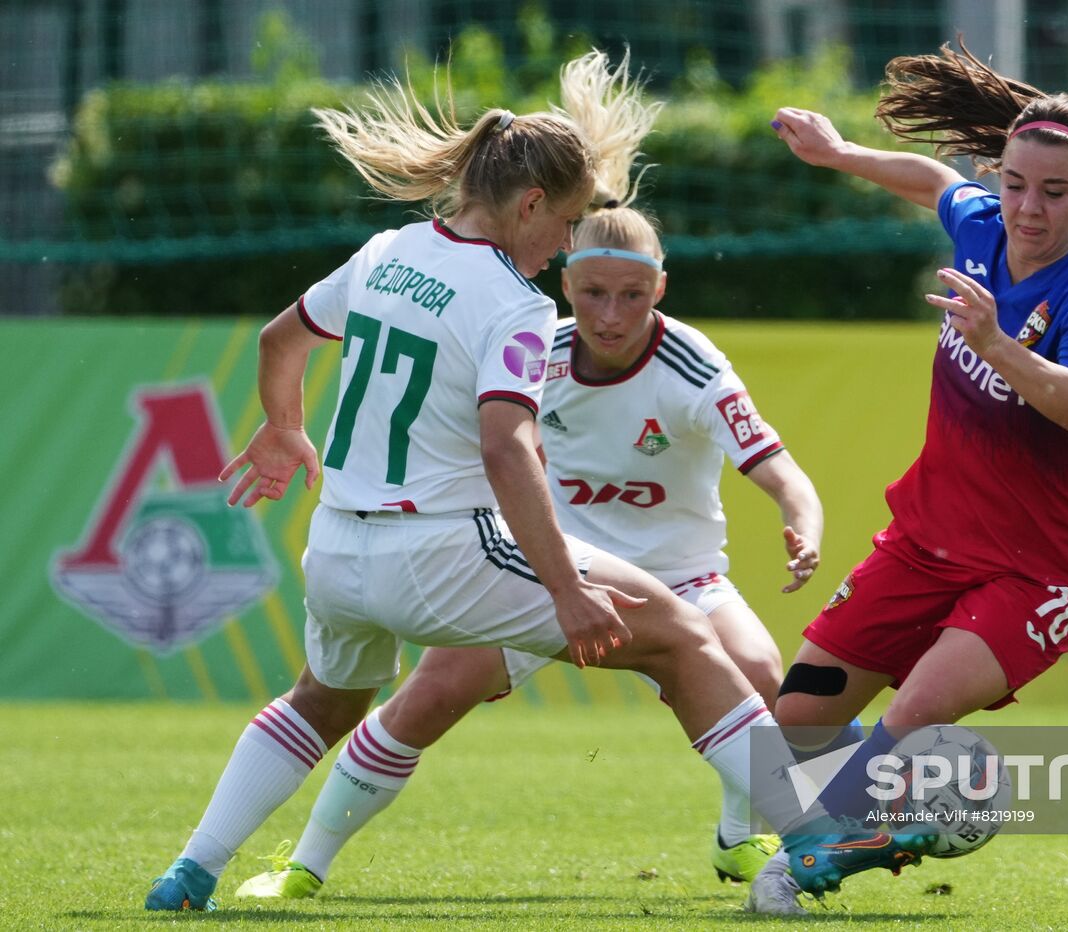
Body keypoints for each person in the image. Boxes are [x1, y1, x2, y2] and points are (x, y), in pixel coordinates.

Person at [143, 50, 919, 913]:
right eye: (569, 223)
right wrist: (566, 590)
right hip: (438, 549)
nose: (561, 251)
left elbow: (278, 342)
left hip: (336, 548)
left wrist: (286, 430)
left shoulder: (384, 251)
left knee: (321, 700)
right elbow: (509, 450)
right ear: (531, 204)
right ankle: (812, 837)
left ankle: (193, 869)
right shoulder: (513, 303)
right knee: (679, 638)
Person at [230, 201, 833, 900]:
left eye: (632, 296)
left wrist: (803, 523)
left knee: (758, 668)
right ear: (566, 284)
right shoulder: (529, 348)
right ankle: (305, 865)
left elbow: (779, 466)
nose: (611, 315)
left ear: (660, 289)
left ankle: (739, 837)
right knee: (427, 697)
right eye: (594, 294)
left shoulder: (693, 365)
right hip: (547, 569)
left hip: (680, 574)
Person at [746, 39, 1068, 915]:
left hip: (1040, 570)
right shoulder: (982, 226)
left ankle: (810, 860)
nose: (1028, 209)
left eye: (1054, 192)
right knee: (796, 719)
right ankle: (930, 801)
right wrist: (840, 153)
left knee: (916, 715)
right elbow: (932, 181)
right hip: (925, 543)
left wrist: (1002, 346)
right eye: (1014, 184)